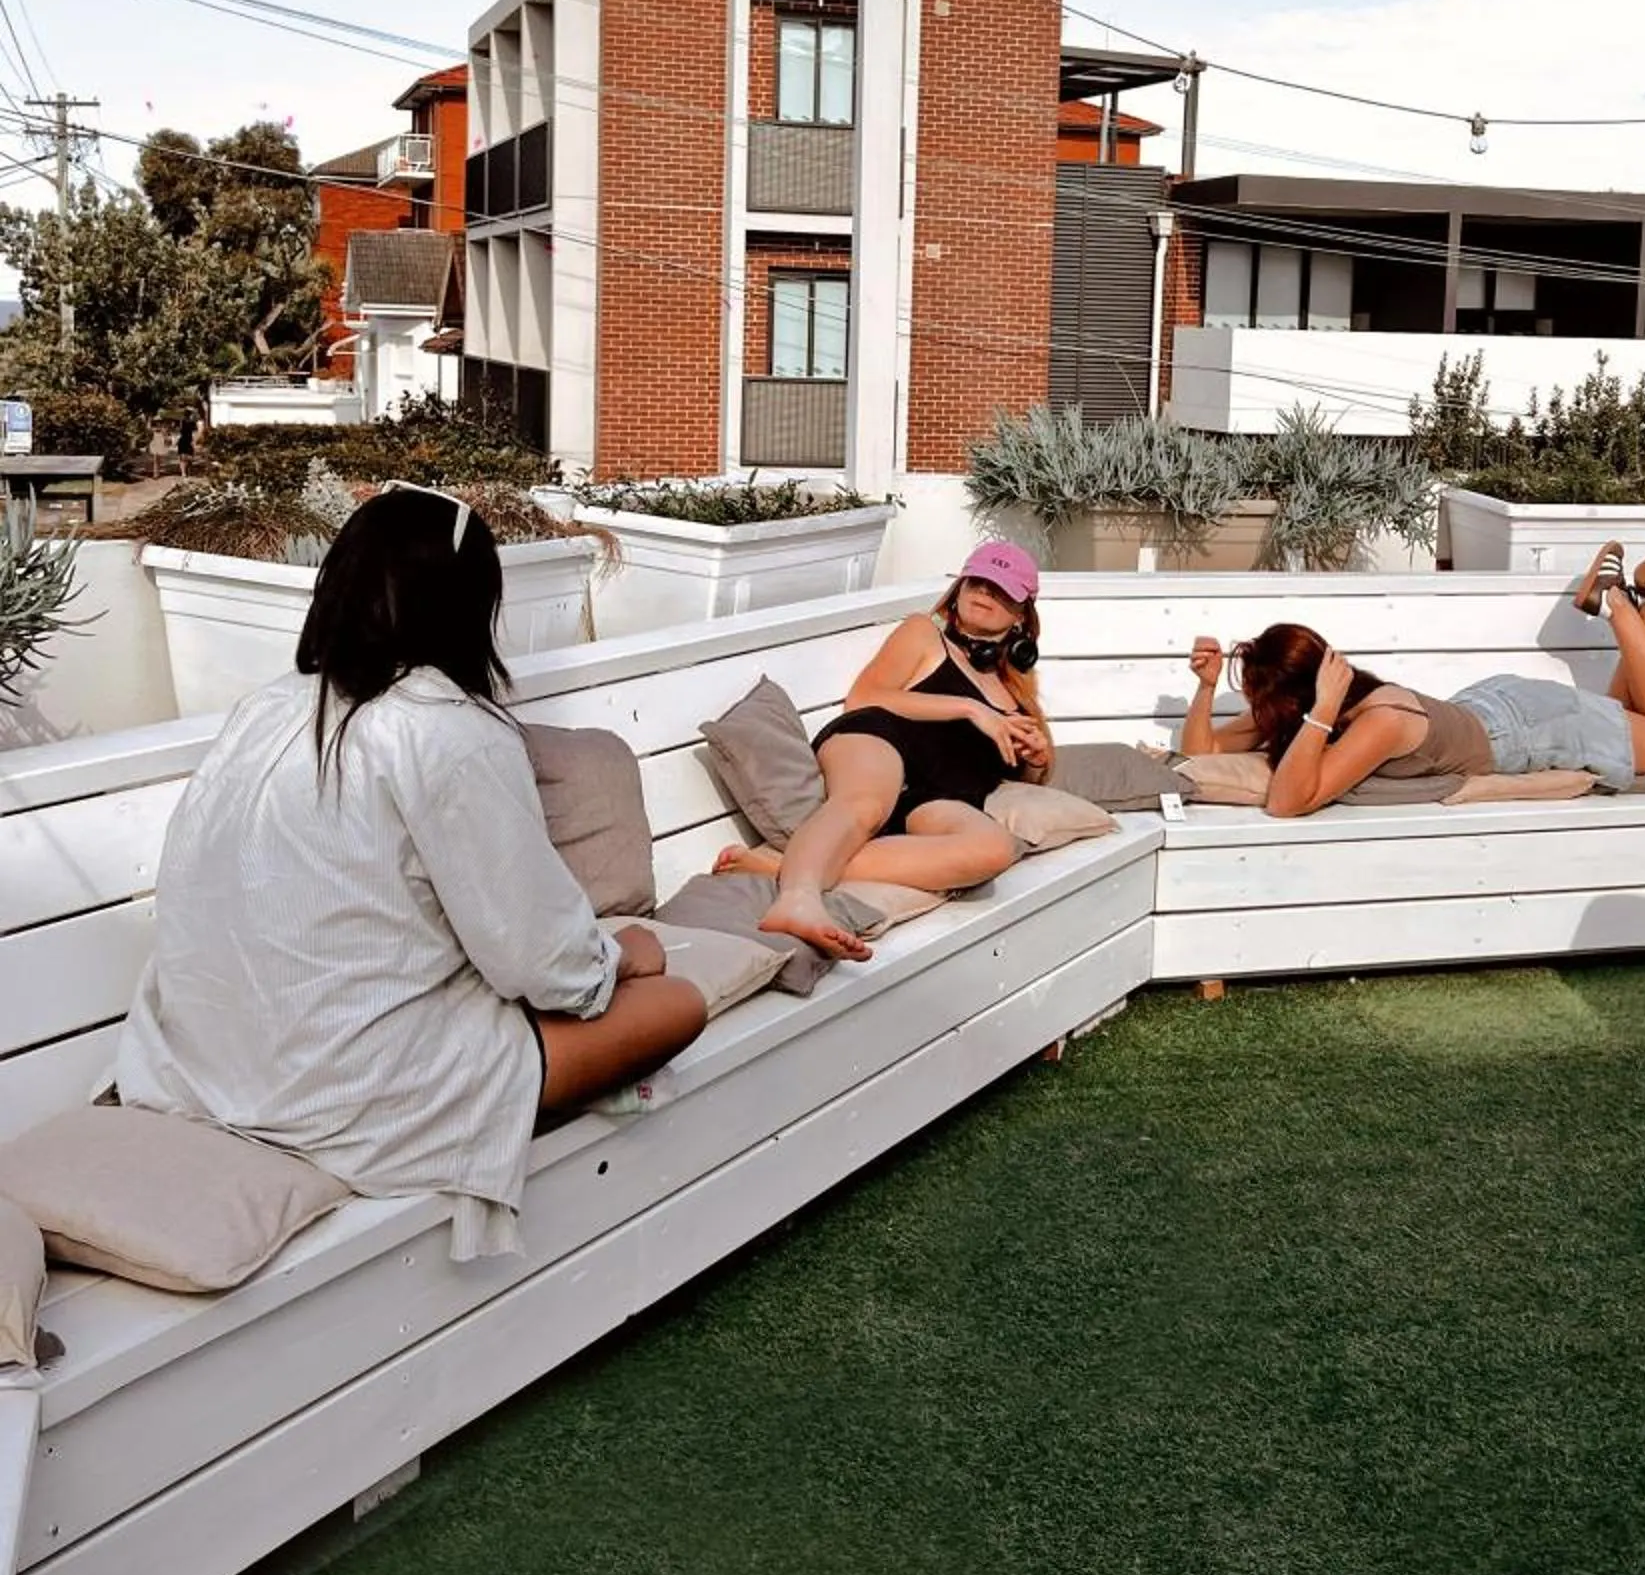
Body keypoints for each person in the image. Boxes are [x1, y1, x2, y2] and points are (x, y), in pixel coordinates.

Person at [116, 482, 707, 1259]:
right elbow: (539, 962)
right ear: (469, 607)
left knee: (601, 975)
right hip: (354, 1094)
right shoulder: (448, 732)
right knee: (676, 999)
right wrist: (622, 959)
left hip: (198, 1064)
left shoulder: (263, 710)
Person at [1181, 533, 1645, 819]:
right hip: (1495, 710)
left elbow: (1288, 803)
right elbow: (1201, 753)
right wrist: (1206, 691)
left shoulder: (1381, 720)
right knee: (1631, 722)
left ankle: (1615, 600)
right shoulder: (1307, 716)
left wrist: (1324, 711)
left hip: (1532, 727)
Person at [713, 541, 1052, 961]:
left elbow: (1022, 777)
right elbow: (864, 696)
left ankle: (787, 865)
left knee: (993, 849)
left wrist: (1036, 761)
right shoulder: (923, 633)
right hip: (883, 739)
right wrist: (969, 708)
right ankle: (797, 900)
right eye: (977, 582)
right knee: (866, 804)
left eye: (1000, 590)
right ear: (959, 588)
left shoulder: (1015, 697)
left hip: (943, 795)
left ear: (1021, 614)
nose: (983, 593)